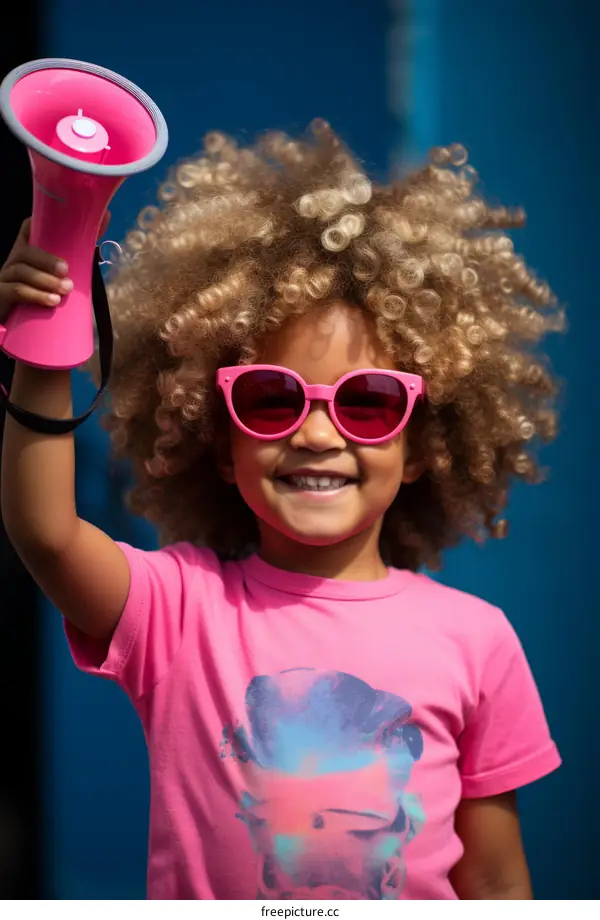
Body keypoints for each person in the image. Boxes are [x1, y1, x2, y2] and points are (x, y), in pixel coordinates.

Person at [0, 122, 563, 900]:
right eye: (271, 399)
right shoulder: (179, 610)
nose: (319, 433)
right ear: (220, 443)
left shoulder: (478, 640)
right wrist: (44, 336)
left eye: (368, 403)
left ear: (425, 445)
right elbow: (46, 532)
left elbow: (498, 882)